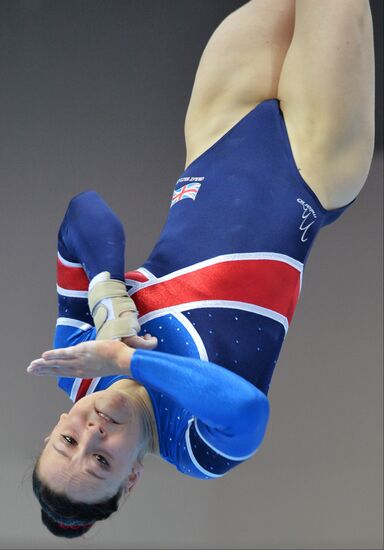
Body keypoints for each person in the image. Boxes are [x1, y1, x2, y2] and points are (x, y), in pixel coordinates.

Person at [26, 0, 375, 539]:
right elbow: (246, 409)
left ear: (53, 431)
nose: (92, 434)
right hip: (312, 168)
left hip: (215, 137)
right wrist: (123, 355)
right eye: (102, 462)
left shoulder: (76, 362)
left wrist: (107, 298)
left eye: (69, 442)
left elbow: (84, 214)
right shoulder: (197, 447)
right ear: (133, 479)